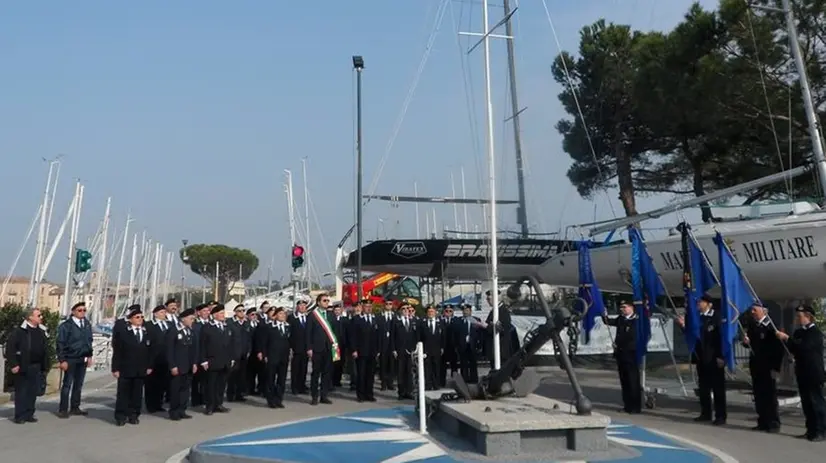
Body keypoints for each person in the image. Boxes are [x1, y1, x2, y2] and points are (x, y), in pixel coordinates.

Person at [776, 305, 825, 442]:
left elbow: (805, 348)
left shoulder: (815, 333)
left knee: (817, 403)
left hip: (814, 373)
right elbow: (794, 348)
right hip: (802, 371)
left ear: (808, 316)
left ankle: (821, 430)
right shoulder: (799, 333)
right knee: (807, 403)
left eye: (800, 316)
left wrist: (787, 338)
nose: (798, 318)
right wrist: (788, 346)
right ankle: (810, 430)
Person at [677, 294, 726, 425]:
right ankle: (706, 413)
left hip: (715, 358)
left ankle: (720, 416)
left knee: (718, 389)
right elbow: (692, 336)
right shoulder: (697, 318)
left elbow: (722, 339)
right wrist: (683, 326)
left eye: (701, 302)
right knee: (703, 388)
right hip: (701, 357)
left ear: (709, 304)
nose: (698, 304)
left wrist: (722, 356)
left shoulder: (717, 317)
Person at [742, 304, 785, 432]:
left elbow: (779, 349)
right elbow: (752, 345)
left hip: (769, 366)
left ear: (764, 311)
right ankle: (762, 421)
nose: (752, 312)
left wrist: (776, 368)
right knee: (759, 394)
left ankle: (773, 423)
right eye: (752, 309)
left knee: (770, 395)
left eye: (755, 309)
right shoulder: (753, 325)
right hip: (756, 365)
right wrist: (746, 343)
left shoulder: (772, 326)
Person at [5, 308, 49, 424]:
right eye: (39, 315)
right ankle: (19, 415)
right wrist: (13, 364)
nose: (41, 317)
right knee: (22, 391)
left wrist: (45, 366)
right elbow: (10, 349)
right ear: (31, 317)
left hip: (37, 366)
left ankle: (29, 413)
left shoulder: (41, 331)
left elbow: (45, 349)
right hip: (23, 365)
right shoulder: (19, 331)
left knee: (32, 391)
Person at [111, 306, 152, 426]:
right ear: (130, 319)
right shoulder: (124, 333)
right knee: (123, 394)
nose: (140, 319)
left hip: (140, 369)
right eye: (137, 317)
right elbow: (117, 351)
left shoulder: (145, 332)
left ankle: (134, 415)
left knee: (137, 394)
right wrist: (115, 368)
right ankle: (120, 416)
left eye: (141, 317)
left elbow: (150, 351)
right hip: (126, 368)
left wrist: (149, 366)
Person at [602, 301, 642, 414]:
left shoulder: (636, 320)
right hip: (621, 354)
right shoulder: (621, 319)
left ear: (631, 308)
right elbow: (608, 322)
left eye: (625, 307)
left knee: (633, 381)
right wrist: (603, 313)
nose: (622, 309)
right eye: (621, 307)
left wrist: (619, 343)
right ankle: (627, 405)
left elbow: (631, 336)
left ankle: (635, 406)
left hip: (631, 353)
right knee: (624, 381)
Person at [56, 301, 94, 419]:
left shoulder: (86, 324)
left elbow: (89, 341)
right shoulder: (66, 326)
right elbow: (60, 343)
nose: (82, 312)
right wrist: (62, 360)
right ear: (73, 312)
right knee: (67, 384)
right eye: (80, 310)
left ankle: (75, 407)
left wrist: (89, 356)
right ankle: (63, 409)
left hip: (82, 358)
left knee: (79, 384)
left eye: (84, 310)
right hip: (70, 358)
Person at [199, 304, 234, 415]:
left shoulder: (227, 327)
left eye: (224, 313)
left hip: (225, 361)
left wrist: (231, 358)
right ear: (214, 315)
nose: (223, 315)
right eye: (221, 313)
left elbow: (230, 344)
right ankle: (210, 406)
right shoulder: (207, 327)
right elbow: (202, 345)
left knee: (221, 385)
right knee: (211, 385)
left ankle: (218, 403)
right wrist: (203, 360)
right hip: (212, 361)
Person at [166, 308, 198, 421]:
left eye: (193, 319)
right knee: (175, 390)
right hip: (178, 366)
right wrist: (172, 365)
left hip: (188, 366)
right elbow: (169, 350)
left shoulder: (190, 331)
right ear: (183, 319)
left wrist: (194, 363)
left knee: (185, 390)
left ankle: (182, 410)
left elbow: (194, 349)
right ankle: (174, 411)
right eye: (191, 319)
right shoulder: (174, 330)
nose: (192, 321)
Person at [306, 293, 337, 405]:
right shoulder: (312, 315)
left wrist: (335, 346)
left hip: (329, 348)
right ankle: (314, 396)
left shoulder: (331, 315)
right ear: (318, 302)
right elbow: (308, 333)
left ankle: (324, 395)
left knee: (327, 373)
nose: (326, 303)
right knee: (316, 373)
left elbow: (334, 332)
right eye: (324, 300)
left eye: (327, 301)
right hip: (317, 348)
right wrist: (309, 348)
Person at [261, 307, 291, 408]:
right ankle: (271, 400)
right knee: (271, 379)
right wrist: (265, 355)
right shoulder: (269, 327)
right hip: (272, 356)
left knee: (281, 379)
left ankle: (279, 399)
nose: (282, 316)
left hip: (284, 357)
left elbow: (290, 341)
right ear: (276, 315)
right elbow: (264, 342)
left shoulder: (288, 327)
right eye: (280, 314)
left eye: (284, 314)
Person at [145, 305, 171, 413]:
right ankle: (151, 405)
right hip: (153, 358)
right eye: (161, 312)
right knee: (151, 384)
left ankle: (159, 404)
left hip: (165, 359)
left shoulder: (169, 325)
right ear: (155, 314)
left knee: (162, 383)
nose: (163, 314)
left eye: (164, 312)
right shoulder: (149, 325)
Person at [478, 290, 512, 369]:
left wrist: (486, 326)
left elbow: (503, 329)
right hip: (494, 349)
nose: (487, 301)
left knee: (500, 371)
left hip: (501, 349)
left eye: (488, 299)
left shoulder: (503, 311)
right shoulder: (494, 311)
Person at [353, 299, 378, 402]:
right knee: (361, 374)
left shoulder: (375, 319)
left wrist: (378, 350)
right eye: (367, 306)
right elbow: (352, 336)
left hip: (372, 351)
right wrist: (354, 350)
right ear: (362, 307)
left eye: (370, 306)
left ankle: (369, 394)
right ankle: (360, 395)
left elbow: (378, 336)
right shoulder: (357, 319)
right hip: (361, 351)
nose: (369, 308)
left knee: (370, 374)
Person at [392, 304, 419, 399]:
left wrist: (416, 349)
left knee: (409, 372)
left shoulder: (413, 321)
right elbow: (393, 337)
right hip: (400, 350)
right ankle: (401, 392)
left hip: (410, 351)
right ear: (400, 311)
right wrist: (394, 349)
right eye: (403, 309)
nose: (406, 310)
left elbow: (417, 336)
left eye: (407, 309)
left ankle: (409, 391)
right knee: (400, 372)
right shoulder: (396, 322)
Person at [226, 304, 250, 402]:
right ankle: (230, 394)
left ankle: (239, 394)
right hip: (234, 353)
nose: (242, 313)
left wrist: (249, 350)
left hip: (244, 353)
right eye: (239, 311)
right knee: (232, 376)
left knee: (241, 375)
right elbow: (228, 339)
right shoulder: (230, 323)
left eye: (243, 310)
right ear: (235, 312)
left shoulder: (246, 323)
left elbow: (249, 338)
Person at [420, 305, 445, 391]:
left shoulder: (440, 323)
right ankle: (427, 385)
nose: (431, 313)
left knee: (436, 367)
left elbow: (443, 336)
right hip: (426, 349)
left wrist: (442, 347)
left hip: (437, 349)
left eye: (432, 312)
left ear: (435, 313)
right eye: (429, 312)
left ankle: (436, 384)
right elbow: (420, 337)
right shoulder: (422, 323)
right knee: (427, 368)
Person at [455, 304, 481, 384]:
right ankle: (464, 379)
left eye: (467, 310)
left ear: (470, 311)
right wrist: (456, 345)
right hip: (463, 345)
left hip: (473, 345)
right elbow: (456, 334)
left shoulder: (476, 320)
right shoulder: (459, 321)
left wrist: (479, 345)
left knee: (473, 363)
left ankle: (474, 379)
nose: (465, 312)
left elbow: (480, 334)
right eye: (464, 310)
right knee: (463, 363)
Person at [288, 300, 310, 395]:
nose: (302, 307)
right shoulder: (292, 318)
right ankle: (294, 387)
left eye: (304, 305)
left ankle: (302, 386)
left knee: (304, 368)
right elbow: (289, 334)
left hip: (306, 347)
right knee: (295, 369)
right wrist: (290, 347)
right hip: (296, 348)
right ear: (297, 307)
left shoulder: (308, 318)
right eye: (300, 305)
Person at [377, 301, 396, 391]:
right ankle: (383, 384)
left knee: (392, 364)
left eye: (390, 304)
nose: (388, 306)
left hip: (392, 345)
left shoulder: (395, 316)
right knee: (383, 364)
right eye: (387, 304)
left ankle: (390, 383)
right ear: (384, 305)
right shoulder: (379, 317)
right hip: (382, 344)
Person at [440, 305, 459, 387]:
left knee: (454, 366)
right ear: (444, 312)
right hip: (443, 347)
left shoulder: (456, 320)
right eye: (446, 311)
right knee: (442, 366)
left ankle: (455, 383)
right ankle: (441, 382)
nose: (448, 313)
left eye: (450, 311)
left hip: (453, 347)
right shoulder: (440, 321)